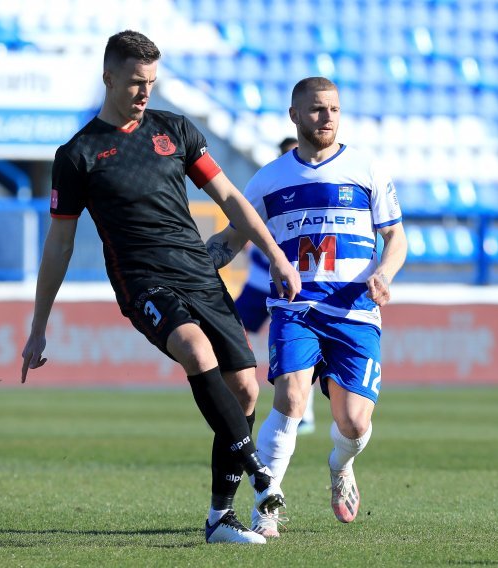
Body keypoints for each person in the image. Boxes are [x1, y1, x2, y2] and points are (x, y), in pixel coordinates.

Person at [20, 30, 301, 545]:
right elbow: (58, 244)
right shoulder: (78, 154)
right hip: (142, 279)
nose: (145, 91)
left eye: (151, 81)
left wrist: (277, 255)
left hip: (198, 271)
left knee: (244, 389)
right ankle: (261, 473)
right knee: (195, 350)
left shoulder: (174, 130)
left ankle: (220, 518)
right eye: (134, 81)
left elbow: (231, 199)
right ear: (108, 77)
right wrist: (38, 326)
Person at [206, 76, 407, 538]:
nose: (327, 118)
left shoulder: (366, 169)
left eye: (334, 109)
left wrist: (385, 274)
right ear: (294, 115)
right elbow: (231, 239)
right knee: (290, 398)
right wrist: (195, 265)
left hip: (355, 310)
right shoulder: (269, 179)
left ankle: (341, 465)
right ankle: (267, 505)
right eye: (317, 110)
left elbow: (396, 237)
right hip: (296, 308)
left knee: (353, 423)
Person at [234, 136, 317, 436]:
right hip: (260, 282)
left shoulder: (311, 187)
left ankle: (303, 412)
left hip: (297, 283)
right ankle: (240, 388)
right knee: (231, 328)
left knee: (300, 345)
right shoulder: (270, 184)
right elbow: (246, 227)